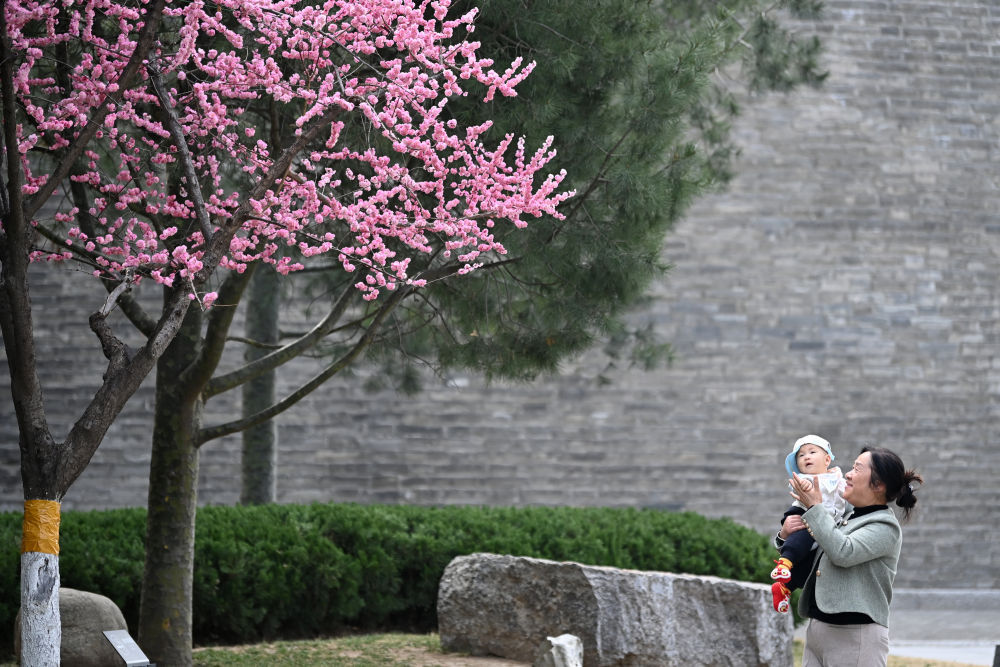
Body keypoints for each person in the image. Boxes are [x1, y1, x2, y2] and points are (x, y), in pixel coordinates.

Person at [781, 446, 922, 667]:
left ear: (878, 485)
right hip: (819, 629)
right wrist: (785, 535)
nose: (848, 473)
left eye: (857, 469)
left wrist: (815, 507)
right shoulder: (845, 516)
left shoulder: (885, 526)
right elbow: (815, 548)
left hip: (856, 636)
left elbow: (843, 552)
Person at [770, 434, 851, 613]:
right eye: (801, 455)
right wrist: (806, 488)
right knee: (802, 536)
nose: (806, 457)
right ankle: (784, 563)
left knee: (810, 562)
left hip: (825, 526)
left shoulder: (839, 479)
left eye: (812, 452)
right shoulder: (804, 478)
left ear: (827, 459)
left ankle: (785, 588)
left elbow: (846, 499)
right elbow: (799, 487)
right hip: (803, 514)